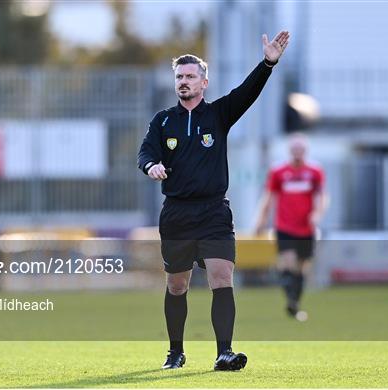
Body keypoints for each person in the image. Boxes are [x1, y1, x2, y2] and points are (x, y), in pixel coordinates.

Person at [137, 31, 290, 371]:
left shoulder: (218, 114)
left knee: (222, 277)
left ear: (204, 82)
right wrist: (152, 165)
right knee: (177, 285)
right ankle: (175, 351)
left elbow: (247, 93)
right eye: (179, 76)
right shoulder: (162, 121)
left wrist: (267, 63)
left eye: (190, 76)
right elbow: (145, 152)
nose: (183, 82)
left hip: (214, 212)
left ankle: (224, 352)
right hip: (176, 213)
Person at [254, 133, 328, 321]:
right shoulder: (278, 172)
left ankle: (294, 303)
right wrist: (261, 221)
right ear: (289, 150)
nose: (297, 153)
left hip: (306, 228)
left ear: (305, 151)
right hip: (285, 226)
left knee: (302, 267)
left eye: (300, 149)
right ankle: (290, 297)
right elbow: (269, 198)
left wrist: (317, 214)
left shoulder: (314, 172)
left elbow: (321, 196)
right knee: (288, 262)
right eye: (294, 149)